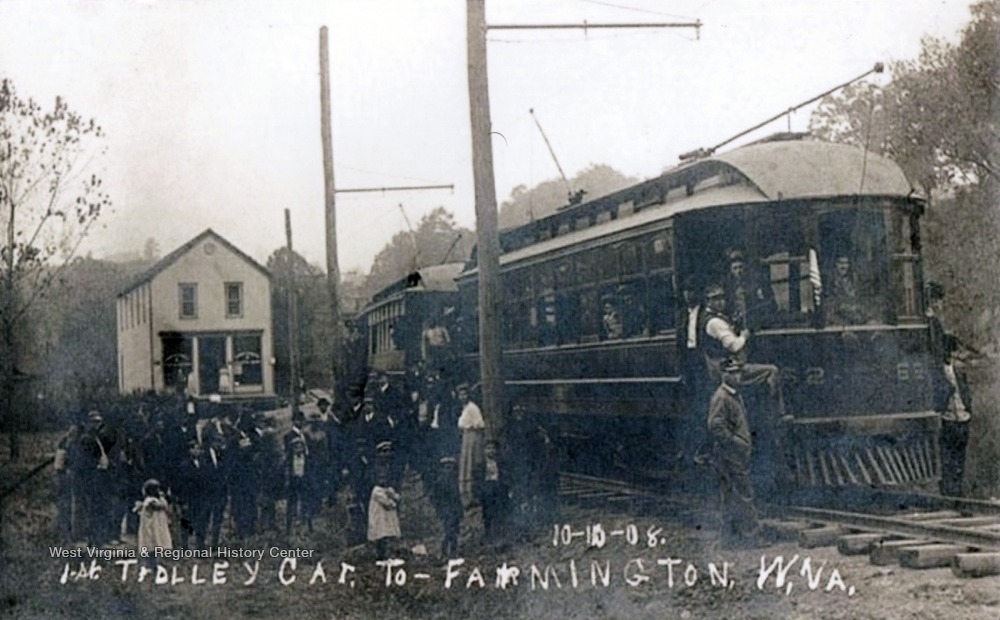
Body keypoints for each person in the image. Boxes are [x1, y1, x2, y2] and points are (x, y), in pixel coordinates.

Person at [707, 359, 764, 549]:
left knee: (730, 496)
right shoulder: (722, 397)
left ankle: (728, 540)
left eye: (739, 372)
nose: (738, 376)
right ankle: (752, 537)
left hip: (734, 453)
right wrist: (735, 442)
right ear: (725, 375)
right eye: (734, 373)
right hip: (729, 454)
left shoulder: (734, 396)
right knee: (744, 494)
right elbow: (715, 425)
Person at [926, 283, 974, 496]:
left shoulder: (956, 372)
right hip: (949, 416)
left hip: (960, 417)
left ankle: (956, 491)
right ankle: (949, 491)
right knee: (949, 454)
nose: (940, 304)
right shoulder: (930, 322)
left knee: (957, 455)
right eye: (938, 300)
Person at [723, 249, 775, 330]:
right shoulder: (727, 286)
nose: (738, 271)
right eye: (735, 268)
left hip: (753, 323)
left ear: (745, 268)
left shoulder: (756, 283)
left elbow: (770, 304)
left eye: (740, 267)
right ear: (731, 270)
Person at [367, 447, 402, 560]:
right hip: (380, 517)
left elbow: (394, 495)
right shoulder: (377, 491)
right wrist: (393, 502)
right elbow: (387, 502)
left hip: (386, 518)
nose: (383, 479)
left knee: (388, 535)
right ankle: (381, 555)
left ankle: (389, 554)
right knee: (381, 535)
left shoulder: (387, 488)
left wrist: (394, 495)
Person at [456, 383, 485, 509]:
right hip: (466, 437)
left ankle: (472, 496)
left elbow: (480, 424)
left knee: (472, 463)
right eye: (460, 395)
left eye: (465, 394)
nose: (463, 397)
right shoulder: (465, 408)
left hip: (473, 437)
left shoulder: (473, 408)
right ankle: (465, 496)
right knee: (465, 464)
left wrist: (472, 429)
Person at [134, 479, 172, 563]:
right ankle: (151, 561)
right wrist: (162, 498)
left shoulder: (154, 500)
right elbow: (160, 506)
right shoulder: (150, 501)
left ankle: (157, 559)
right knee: (152, 542)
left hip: (158, 526)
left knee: (157, 541)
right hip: (151, 526)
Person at [826, 255, 868, 325]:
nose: (843, 266)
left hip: (854, 314)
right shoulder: (829, 281)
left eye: (846, 263)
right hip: (836, 316)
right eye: (840, 263)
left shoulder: (854, 280)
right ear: (836, 264)